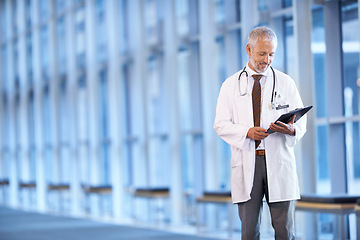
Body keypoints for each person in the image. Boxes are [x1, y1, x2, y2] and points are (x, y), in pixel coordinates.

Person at [213, 26, 307, 240]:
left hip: (279, 161)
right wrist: (247, 132)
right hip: (248, 162)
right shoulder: (230, 85)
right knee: (249, 232)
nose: (267, 60)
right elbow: (220, 124)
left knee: (285, 231)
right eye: (262, 53)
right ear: (249, 49)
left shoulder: (285, 82)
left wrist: (292, 129)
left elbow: (301, 122)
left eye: (272, 54)